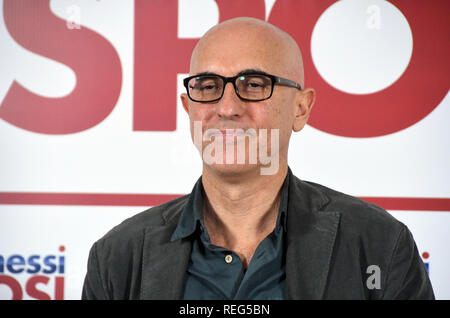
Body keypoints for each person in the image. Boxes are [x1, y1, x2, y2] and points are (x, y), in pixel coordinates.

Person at [82, 17, 434, 300]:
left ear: (301, 108)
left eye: (253, 84)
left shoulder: (380, 245)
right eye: (207, 86)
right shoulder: (116, 258)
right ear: (189, 108)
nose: (227, 108)